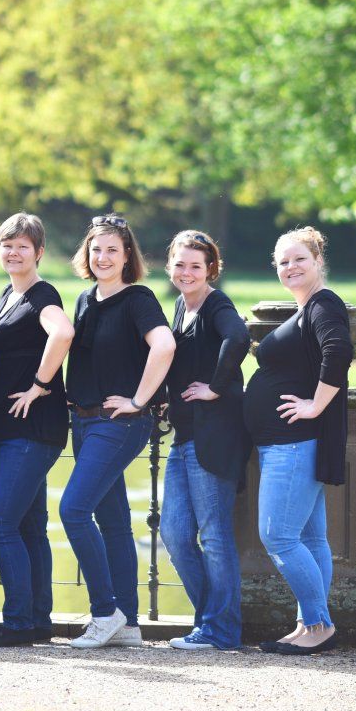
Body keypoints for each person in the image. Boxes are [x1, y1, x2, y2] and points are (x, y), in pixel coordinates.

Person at [61, 214, 175, 649]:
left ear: (128, 255)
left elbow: (164, 345)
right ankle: (127, 623)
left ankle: (104, 610)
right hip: (83, 420)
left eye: (112, 249)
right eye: (96, 249)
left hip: (120, 423)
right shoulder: (86, 300)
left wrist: (139, 400)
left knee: (72, 510)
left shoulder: (138, 299)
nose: (103, 257)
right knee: (112, 522)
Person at [244, 226, 352, 656]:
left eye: (299, 259)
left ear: (318, 262)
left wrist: (314, 405)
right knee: (309, 539)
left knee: (279, 537)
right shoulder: (305, 309)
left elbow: (338, 351)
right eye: (283, 261)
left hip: (292, 443)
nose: (290, 267)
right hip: (287, 444)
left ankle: (319, 624)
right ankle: (310, 623)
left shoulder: (324, 304)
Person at [0, 213, 73, 647]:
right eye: (6, 245)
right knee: (29, 525)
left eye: (22, 246)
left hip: (34, 427)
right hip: (8, 425)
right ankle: (37, 621)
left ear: (39, 252)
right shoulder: (8, 295)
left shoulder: (42, 294)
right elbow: (11, 353)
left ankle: (17, 623)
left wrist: (39, 385)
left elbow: (62, 334)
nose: (13, 252)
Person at [160, 229, 251, 651]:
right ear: (169, 267)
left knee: (214, 535)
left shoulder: (217, 305)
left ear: (210, 269)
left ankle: (222, 630)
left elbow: (239, 338)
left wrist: (215, 386)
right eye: (180, 264)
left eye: (196, 265)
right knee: (175, 534)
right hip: (184, 436)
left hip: (214, 436)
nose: (186, 272)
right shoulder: (181, 306)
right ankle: (209, 620)